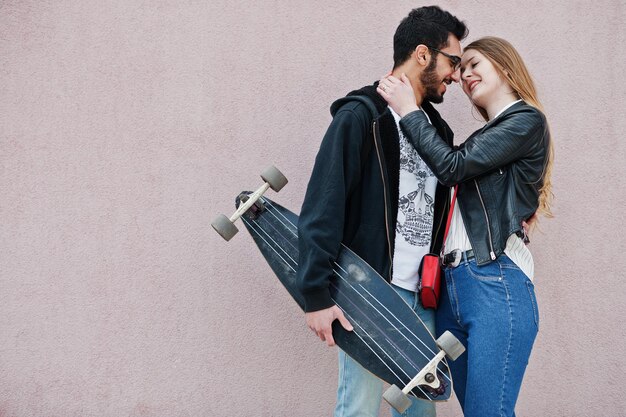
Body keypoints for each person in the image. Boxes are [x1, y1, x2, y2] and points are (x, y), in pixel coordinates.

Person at [297, 6, 468, 417]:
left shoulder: (437, 131)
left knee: (420, 412)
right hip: (370, 293)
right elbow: (324, 203)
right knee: (358, 407)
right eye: (453, 61)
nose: (457, 75)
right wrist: (314, 295)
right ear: (423, 55)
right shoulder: (361, 117)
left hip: (424, 298)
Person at [377, 36, 553, 417]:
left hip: (495, 280)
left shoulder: (526, 119)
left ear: (505, 66)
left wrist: (409, 111)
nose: (465, 74)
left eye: (475, 63)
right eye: (462, 68)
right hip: (452, 288)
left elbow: (452, 166)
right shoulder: (488, 138)